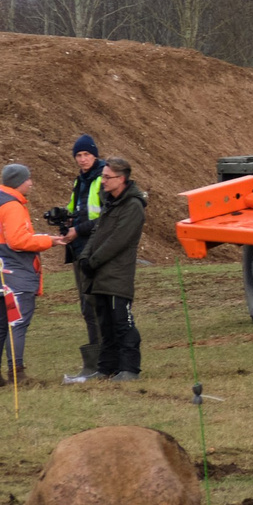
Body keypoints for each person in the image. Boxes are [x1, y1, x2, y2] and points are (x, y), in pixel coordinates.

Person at [0, 163, 58, 387]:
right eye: (28, 179)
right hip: (17, 272)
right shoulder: (12, 206)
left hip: (0, 270)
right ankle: (18, 374)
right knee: (18, 324)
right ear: (18, 182)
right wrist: (48, 240)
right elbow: (18, 241)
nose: (31, 183)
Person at [74, 157, 147, 380]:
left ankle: (129, 368)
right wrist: (84, 257)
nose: (103, 181)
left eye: (107, 177)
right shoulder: (110, 202)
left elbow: (118, 240)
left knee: (122, 323)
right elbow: (97, 233)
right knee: (105, 326)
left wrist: (93, 261)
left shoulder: (133, 206)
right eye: (102, 176)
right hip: (100, 276)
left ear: (121, 179)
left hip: (117, 275)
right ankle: (107, 368)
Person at [52, 133, 106, 379]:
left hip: (95, 248)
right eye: (79, 155)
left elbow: (106, 217)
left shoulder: (103, 179)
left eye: (86, 154)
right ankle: (96, 360)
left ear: (94, 155)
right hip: (79, 248)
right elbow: (77, 211)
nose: (82, 159)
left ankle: (101, 361)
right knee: (87, 305)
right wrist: (66, 222)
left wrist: (78, 229)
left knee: (95, 303)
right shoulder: (81, 181)